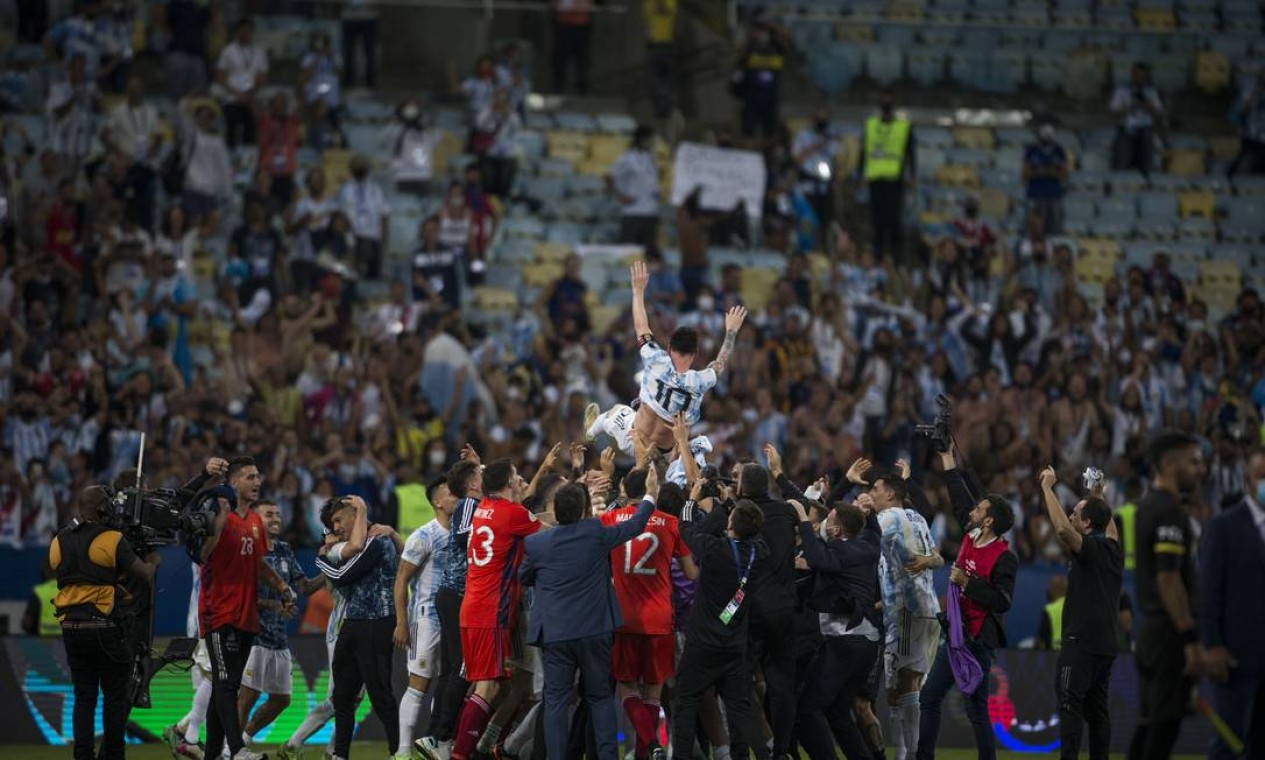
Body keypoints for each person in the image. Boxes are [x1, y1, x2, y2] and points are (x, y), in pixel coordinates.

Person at [521, 472, 658, 760]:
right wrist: (649, 496)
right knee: (600, 698)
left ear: (556, 511)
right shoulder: (595, 533)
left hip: (556, 634)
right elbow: (635, 525)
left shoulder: (537, 545)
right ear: (584, 510)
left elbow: (525, 577)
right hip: (595, 631)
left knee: (555, 700)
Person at [917, 444, 1017, 760]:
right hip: (956, 636)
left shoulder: (1004, 557)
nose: (972, 510)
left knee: (975, 711)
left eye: (979, 509)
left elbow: (1002, 602)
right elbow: (959, 496)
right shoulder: (971, 535)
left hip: (976, 641)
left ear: (988, 522)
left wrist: (967, 583)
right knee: (930, 698)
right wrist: (948, 458)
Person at [586, 261, 745, 456]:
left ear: (669, 348)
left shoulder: (656, 360)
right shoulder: (699, 381)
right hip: (664, 455)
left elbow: (641, 327)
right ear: (694, 353)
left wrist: (637, 292)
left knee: (616, 412)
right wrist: (731, 332)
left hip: (633, 441)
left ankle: (590, 432)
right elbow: (720, 363)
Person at [50, 485, 159, 760]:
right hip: (105, 628)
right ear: (102, 508)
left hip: (71, 628)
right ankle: (114, 755)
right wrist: (154, 561)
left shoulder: (58, 540)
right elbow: (144, 574)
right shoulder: (111, 538)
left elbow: (68, 573)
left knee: (83, 697)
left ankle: (83, 756)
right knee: (114, 697)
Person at [599, 468, 698, 760]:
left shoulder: (610, 519)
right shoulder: (670, 523)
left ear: (625, 490)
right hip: (659, 618)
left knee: (626, 689)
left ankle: (651, 745)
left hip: (623, 617)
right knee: (653, 694)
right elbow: (691, 573)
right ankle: (649, 750)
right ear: (650, 488)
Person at [199, 456, 294, 760]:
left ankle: (214, 754)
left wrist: (281, 587)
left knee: (222, 689)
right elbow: (203, 554)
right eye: (251, 477)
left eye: (258, 477)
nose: (257, 482)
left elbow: (258, 563)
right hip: (218, 613)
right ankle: (237, 750)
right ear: (234, 482)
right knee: (227, 684)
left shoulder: (254, 521)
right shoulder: (216, 512)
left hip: (246, 617)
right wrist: (220, 522)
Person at [451, 459, 540, 760]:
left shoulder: (483, 510)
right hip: (491, 610)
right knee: (487, 687)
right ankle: (460, 754)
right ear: (508, 483)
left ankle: (470, 748)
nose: (519, 480)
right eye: (516, 476)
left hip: (474, 606)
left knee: (491, 682)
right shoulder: (513, 514)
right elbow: (549, 531)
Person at [672, 492, 771, 760]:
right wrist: (733, 508)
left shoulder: (715, 549)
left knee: (686, 700)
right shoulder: (760, 553)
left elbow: (685, 528)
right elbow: (755, 532)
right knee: (741, 707)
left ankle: (681, 755)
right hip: (734, 645)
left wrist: (692, 500)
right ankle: (763, 755)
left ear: (730, 525)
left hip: (702, 644)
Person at [1127, 431, 1207, 760]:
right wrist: (1189, 638)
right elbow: (1168, 578)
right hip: (1168, 638)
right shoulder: (1168, 511)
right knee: (1162, 730)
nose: (1200, 469)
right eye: (1193, 462)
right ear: (1169, 464)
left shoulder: (1148, 506)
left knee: (1150, 725)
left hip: (1151, 633)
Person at [1039, 467, 1123, 760]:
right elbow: (1107, 524)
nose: (1071, 516)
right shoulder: (1113, 547)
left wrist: (1048, 489)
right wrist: (1097, 496)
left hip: (1081, 643)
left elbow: (1062, 530)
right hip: (1106, 646)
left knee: (1069, 705)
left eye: (1076, 513)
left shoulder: (1091, 549)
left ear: (1087, 524)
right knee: (1097, 712)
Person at [791, 498, 882, 760]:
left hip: (846, 640)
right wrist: (871, 513)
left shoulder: (841, 552)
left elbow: (818, 558)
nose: (824, 525)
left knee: (807, 710)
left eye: (828, 521)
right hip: (864, 642)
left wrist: (803, 519)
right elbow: (874, 532)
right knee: (837, 710)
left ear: (836, 531)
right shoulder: (868, 545)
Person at [315, 495, 403, 760]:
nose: (337, 527)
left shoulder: (378, 542)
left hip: (377, 623)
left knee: (380, 695)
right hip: (352, 624)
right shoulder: (360, 543)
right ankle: (340, 754)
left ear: (355, 514)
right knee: (342, 696)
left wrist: (320, 558)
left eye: (339, 520)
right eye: (333, 524)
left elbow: (342, 577)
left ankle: (398, 752)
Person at [865, 465, 942, 760]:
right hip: (910, 606)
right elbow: (935, 557)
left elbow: (860, 535)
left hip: (909, 608)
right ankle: (904, 754)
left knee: (907, 681)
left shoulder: (888, 517)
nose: (871, 493)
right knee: (897, 685)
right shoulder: (917, 517)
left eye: (875, 489)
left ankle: (909, 756)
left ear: (891, 494)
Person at [238, 501, 325, 750]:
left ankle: (243, 738)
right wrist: (275, 605)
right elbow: (243, 596)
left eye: (277, 513)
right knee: (248, 696)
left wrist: (330, 569)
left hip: (278, 637)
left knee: (281, 699)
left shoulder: (285, 550)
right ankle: (228, 747)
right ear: (255, 520)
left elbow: (305, 587)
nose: (276, 518)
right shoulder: (248, 550)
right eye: (269, 514)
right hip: (253, 635)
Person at [414, 457, 483, 760]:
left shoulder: (471, 502)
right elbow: (462, 534)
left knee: (452, 670)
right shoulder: (469, 503)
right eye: (480, 474)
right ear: (471, 484)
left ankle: (434, 736)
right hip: (457, 593)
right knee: (462, 670)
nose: (485, 477)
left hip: (453, 594)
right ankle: (442, 737)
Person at [1200, 447, 1265, 760]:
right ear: (1247, 480)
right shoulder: (1224, 527)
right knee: (1229, 743)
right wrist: (1212, 645)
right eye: (1262, 476)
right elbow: (1209, 591)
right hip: (1235, 657)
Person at [735, 462, 800, 760]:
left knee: (736, 682)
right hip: (784, 610)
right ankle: (781, 752)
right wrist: (781, 473)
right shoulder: (787, 512)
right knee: (783, 687)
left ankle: (756, 749)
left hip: (749, 611)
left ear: (741, 488)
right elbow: (807, 506)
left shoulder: (738, 515)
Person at [393, 476, 457, 756]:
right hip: (426, 617)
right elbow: (401, 580)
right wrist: (401, 622)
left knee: (447, 684)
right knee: (420, 684)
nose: (456, 496)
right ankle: (403, 750)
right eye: (450, 493)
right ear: (437, 502)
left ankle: (438, 743)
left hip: (454, 618)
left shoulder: (462, 531)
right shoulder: (424, 536)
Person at [860, 91, 915, 260]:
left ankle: (895, 259)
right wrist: (860, 174)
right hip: (875, 178)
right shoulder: (870, 124)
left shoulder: (903, 126)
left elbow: (910, 152)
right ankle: (878, 259)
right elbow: (863, 151)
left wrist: (912, 175)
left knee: (893, 221)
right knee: (877, 222)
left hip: (894, 179)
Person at [215, 19, 268, 150]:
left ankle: (247, 160)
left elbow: (262, 76)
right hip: (232, 97)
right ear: (237, 32)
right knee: (231, 129)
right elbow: (221, 76)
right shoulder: (228, 51)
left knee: (250, 131)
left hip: (252, 98)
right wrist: (237, 93)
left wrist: (250, 95)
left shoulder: (259, 52)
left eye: (248, 31)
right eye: (242, 31)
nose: (245, 34)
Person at [336, 154, 391, 279]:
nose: (359, 168)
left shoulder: (376, 190)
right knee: (354, 275)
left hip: (373, 238)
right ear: (351, 169)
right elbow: (341, 215)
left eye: (362, 165)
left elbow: (384, 215)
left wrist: (384, 242)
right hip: (354, 238)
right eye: (356, 165)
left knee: (373, 275)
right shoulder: (345, 190)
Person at [608, 126, 661, 249]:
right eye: (650, 139)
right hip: (633, 212)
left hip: (650, 212)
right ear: (642, 140)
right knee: (632, 251)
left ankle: (643, 269)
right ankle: (635, 270)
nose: (653, 143)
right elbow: (609, 177)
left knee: (647, 251)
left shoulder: (651, 159)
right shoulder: (627, 158)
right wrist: (620, 197)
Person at [792, 109, 838, 249]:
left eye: (825, 118)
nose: (822, 121)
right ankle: (805, 249)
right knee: (807, 221)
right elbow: (797, 159)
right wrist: (816, 146)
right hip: (807, 186)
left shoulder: (831, 137)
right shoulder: (802, 136)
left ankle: (823, 249)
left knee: (825, 223)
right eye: (819, 117)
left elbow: (836, 158)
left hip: (824, 186)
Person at [1110, 63, 1164, 175]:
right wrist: (1131, 107)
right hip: (1127, 131)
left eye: (1142, 75)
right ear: (1132, 75)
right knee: (1122, 165)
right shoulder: (1122, 90)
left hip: (1145, 132)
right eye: (1136, 75)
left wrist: (1148, 105)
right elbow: (1113, 111)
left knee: (1146, 166)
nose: (1139, 78)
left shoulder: (1151, 91)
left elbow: (1159, 112)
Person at [1023, 123, 1068, 235]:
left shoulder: (1059, 150)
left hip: (1054, 194)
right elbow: (1026, 172)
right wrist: (1049, 171)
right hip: (1035, 193)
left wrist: (1041, 171)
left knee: (1055, 225)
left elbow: (1063, 173)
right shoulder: (1032, 150)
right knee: (1034, 224)